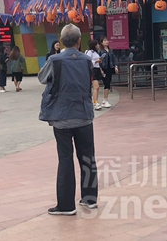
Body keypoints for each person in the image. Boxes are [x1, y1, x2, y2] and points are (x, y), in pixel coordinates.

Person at [38, 24, 98, 216]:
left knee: (65, 158)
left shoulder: (55, 60)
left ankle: (66, 205)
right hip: (84, 115)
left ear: (61, 41)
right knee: (87, 157)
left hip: (62, 116)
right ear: (79, 41)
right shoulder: (87, 60)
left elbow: (42, 78)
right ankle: (90, 199)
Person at [99, 37, 119, 107]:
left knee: (108, 83)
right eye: (104, 41)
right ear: (101, 42)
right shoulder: (100, 51)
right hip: (103, 69)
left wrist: (116, 66)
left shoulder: (110, 50)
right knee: (106, 84)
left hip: (110, 68)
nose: (106, 42)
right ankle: (105, 100)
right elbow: (99, 61)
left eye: (107, 40)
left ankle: (105, 100)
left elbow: (114, 59)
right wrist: (100, 69)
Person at [85, 40, 104, 109]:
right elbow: (88, 61)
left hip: (97, 69)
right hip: (93, 70)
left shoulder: (96, 52)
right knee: (96, 87)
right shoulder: (89, 52)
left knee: (97, 87)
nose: (98, 46)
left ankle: (95, 101)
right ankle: (95, 102)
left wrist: (101, 69)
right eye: (97, 44)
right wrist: (96, 61)